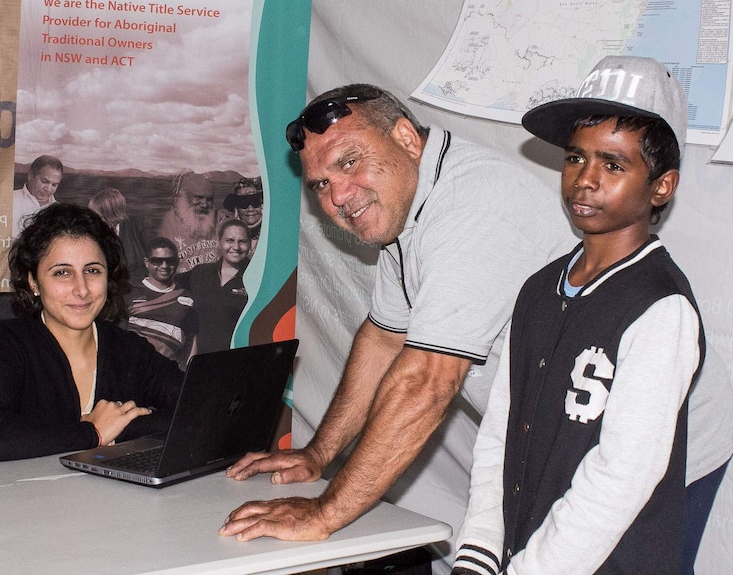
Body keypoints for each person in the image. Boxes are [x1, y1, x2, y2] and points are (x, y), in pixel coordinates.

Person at [219, 84, 577, 562]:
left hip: (643, 454)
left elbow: (426, 382)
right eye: (320, 184)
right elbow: (386, 337)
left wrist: (324, 514)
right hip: (549, 452)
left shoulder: (469, 212)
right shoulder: (409, 203)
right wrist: (319, 455)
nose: (339, 196)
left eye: (349, 162)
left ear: (407, 139)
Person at [451, 56, 706, 574]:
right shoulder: (540, 288)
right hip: (525, 549)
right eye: (575, 158)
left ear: (662, 186)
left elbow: (623, 475)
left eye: (613, 165)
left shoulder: (660, 308)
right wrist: (479, 552)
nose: (584, 180)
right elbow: (499, 432)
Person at [0, 203, 184, 462]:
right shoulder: (3, 342)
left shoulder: (129, 349)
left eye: (92, 271)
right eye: (62, 273)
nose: (81, 289)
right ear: (33, 281)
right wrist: (93, 432)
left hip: (112, 498)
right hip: (20, 498)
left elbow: (198, 406)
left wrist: (118, 427)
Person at [176, 219, 251, 355]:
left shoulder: (256, 279)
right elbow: (166, 283)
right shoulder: (200, 273)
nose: (236, 247)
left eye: (242, 241)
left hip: (238, 361)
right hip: (200, 361)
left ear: (250, 244)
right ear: (220, 242)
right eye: (230, 240)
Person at [126, 236, 198, 368]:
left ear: (177, 261)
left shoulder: (188, 298)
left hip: (169, 374)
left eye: (170, 260)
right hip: (134, 370)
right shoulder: (129, 293)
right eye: (157, 261)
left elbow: (192, 340)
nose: (164, 266)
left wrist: (188, 373)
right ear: (146, 262)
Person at [159, 170, 219, 273]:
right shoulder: (166, 224)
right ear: (183, 197)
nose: (204, 204)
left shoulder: (219, 220)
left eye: (209, 199)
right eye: (198, 198)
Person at [88, 186, 148, 277]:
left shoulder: (138, 227)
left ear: (111, 215)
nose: (91, 220)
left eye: (96, 217)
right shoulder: (89, 235)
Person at [13, 155, 63, 237]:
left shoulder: (61, 211)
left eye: (54, 185)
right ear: (30, 174)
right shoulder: (8, 199)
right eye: (44, 181)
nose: (48, 189)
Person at [223, 177, 263, 255]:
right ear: (236, 208)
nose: (250, 209)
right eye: (243, 203)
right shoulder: (226, 235)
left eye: (255, 202)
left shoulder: (272, 232)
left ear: (261, 205)